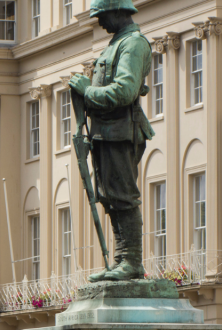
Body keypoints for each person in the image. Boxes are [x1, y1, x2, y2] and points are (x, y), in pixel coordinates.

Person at [68, 0, 154, 282]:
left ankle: (131, 261)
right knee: (108, 197)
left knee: (123, 196)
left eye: (103, 16)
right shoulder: (113, 45)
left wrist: (88, 90)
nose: (100, 22)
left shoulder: (133, 44)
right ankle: (121, 260)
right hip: (104, 133)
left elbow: (125, 91)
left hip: (121, 132)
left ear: (118, 11)